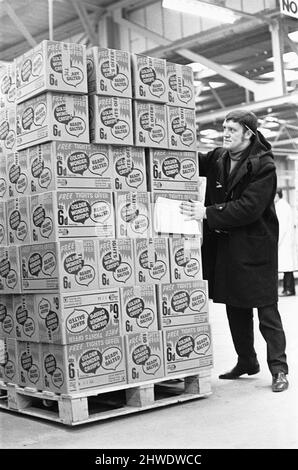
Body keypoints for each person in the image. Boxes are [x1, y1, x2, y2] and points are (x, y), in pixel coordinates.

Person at [180, 109, 289, 392]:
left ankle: (279, 369)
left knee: (266, 309)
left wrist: (206, 213)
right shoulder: (218, 157)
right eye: (224, 128)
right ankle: (246, 361)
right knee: (235, 304)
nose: (225, 133)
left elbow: (249, 208)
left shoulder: (263, 165)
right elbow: (191, 160)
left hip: (255, 245)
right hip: (227, 245)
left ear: (248, 134)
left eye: (232, 130)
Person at [274, 188, 296, 296]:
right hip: (286, 241)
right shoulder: (284, 205)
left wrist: (276, 241)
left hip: (284, 242)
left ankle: (289, 289)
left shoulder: (281, 207)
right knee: (286, 266)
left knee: (286, 267)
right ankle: (287, 289)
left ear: (277, 195)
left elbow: (281, 226)